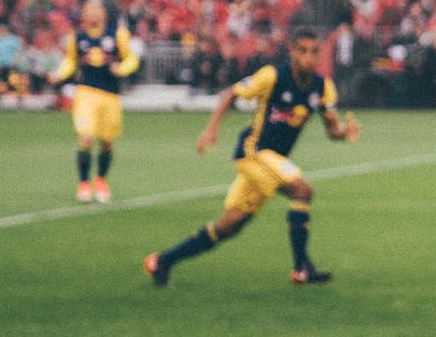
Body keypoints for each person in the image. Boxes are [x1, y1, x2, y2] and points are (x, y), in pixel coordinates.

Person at [143, 29, 362, 288]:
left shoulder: (323, 87)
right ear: (292, 51)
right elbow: (231, 93)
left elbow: (332, 130)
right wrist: (211, 129)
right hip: (253, 152)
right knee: (302, 190)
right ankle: (302, 268)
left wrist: (344, 132)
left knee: (229, 225)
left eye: (315, 52)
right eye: (302, 51)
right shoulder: (272, 76)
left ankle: (162, 261)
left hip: (271, 162)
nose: (309, 57)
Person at [49, 1, 140, 203]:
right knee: (86, 137)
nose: (93, 14)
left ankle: (100, 179)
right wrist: (59, 74)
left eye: (96, 10)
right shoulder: (77, 36)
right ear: (84, 14)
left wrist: (121, 69)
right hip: (86, 93)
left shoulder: (117, 34)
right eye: (88, 10)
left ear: (104, 13)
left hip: (110, 95)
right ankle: (83, 183)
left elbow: (131, 59)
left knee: (107, 142)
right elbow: (70, 60)